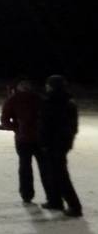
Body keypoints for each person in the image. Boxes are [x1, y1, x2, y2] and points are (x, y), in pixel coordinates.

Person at [39, 75, 82, 217]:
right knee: (54, 173)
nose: (46, 87)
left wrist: (45, 141)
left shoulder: (52, 101)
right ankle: (55, 201)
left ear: (52, 86)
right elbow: (73, 127)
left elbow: (47, 125)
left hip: (54, 144)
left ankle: (74, 206)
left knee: (60, 175)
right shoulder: (68, 101)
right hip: (61, 143)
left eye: (48, 84)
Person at [0, 78, 45, 204]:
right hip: (40, 138)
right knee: (45, 168)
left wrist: (16, 128)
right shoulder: (39, 99)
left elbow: (4, 119)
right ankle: (52, 195)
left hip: (23, 139)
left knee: (25, 167)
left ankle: (27, 194)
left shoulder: (13, 100)